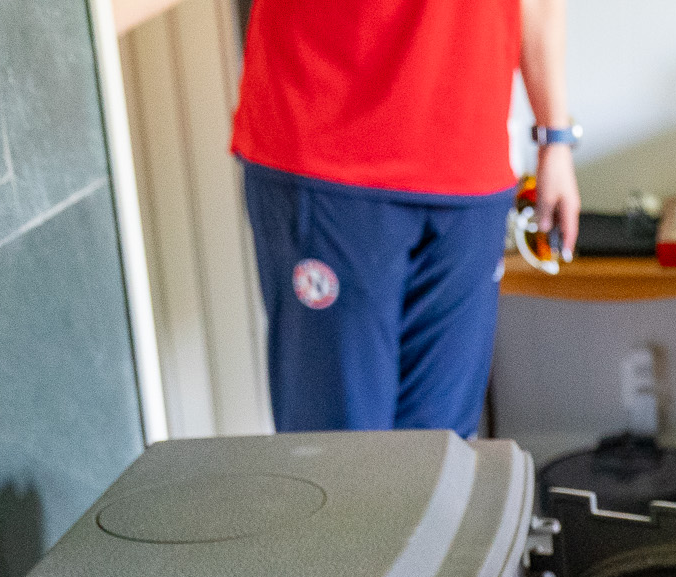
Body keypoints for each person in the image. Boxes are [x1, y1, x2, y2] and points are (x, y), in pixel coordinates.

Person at [229, 0, 580, 438]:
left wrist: (555, 138)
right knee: (337, 454)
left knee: (441, 456)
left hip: (469, 168)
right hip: (329, 156)